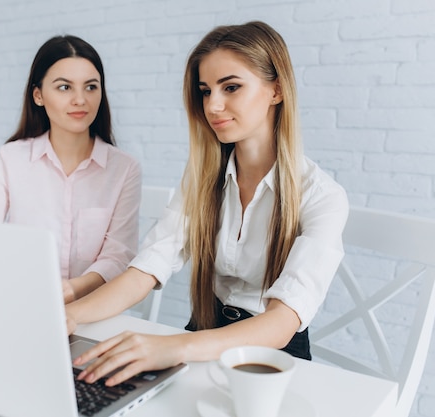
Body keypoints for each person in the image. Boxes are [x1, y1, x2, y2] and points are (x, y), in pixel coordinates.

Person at [67, 21, 348, 387]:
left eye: (231, 87)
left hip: (271, 360)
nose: (213, 105)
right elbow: (147, 268)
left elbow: (282, 323)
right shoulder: (203, 178)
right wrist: (69, 315)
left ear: (276, 90)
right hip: (201, 337)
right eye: (205, 91)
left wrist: (174, 346)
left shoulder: (323, 196)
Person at [0, 35, 142, 303]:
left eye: (91, 87)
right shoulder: (10, 159)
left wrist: (73, 289)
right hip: (21, 302)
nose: (80, 99)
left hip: (93, 311)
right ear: (38, 95)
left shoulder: (125, 169)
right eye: (64, 87)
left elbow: (118, 255)